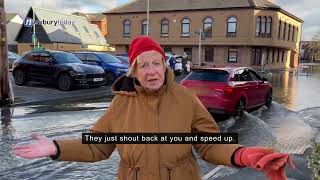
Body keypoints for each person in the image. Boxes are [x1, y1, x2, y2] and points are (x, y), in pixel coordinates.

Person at [12, 36, 295, 180]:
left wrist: (242, 154)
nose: (151, 71)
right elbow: (98, 147)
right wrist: (56, 148)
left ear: (164, 65)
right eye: (143, 65)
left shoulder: (185, 98)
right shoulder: (120, 104)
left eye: (156, 63)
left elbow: (210, 145)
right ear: (134, 71)